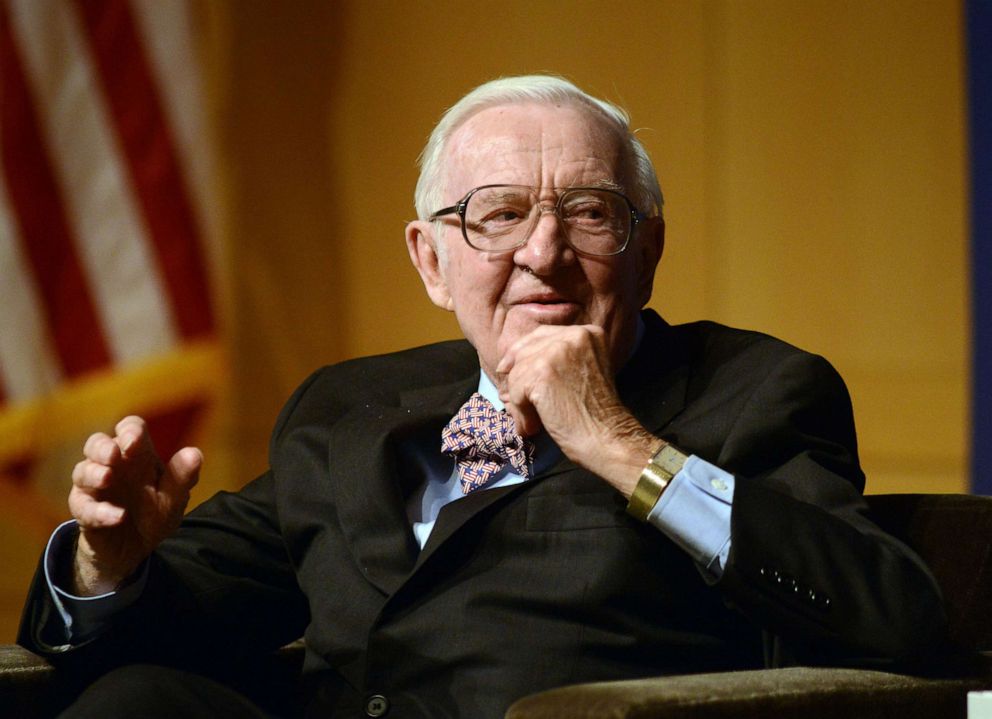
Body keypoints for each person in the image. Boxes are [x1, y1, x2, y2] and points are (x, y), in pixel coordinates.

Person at [19, 75, 947, 719]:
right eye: (497, 215)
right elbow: (199, 610)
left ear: (647, 253)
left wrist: (622, 444)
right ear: (432, 259)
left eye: (588, 213)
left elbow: (894, 613)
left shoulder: (757, 391)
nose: (542, 253)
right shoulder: (348, 407)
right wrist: (108, 565)